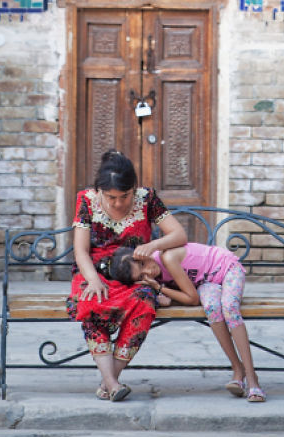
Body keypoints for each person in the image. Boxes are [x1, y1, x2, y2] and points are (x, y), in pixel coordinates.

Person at [66, 149, 186, 401]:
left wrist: (153, 246)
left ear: (134, 188)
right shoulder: (86, 200)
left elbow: (179, 235)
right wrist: (94, 280)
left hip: (134, 273)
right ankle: (111, 382)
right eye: (111, 197)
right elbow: (81, 251)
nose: (118, 203)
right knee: (91, 301)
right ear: (99, 191)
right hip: (94, 272)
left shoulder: (148, 198)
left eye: (125, 196)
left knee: (144, 302)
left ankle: (110, 381)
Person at [109, 240, 266, 402]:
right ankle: (237, 369)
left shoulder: (167, 258)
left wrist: (160, 289)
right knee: (212, 308)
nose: (148, 272)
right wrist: (160, 292)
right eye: (141, 276)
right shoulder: (154, 278)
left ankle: (253, 379)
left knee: (229, 307)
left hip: (226, 268)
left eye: (143, 264)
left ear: (142, 254)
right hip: (205, 283)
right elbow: (188, 297)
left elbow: (191, 299)